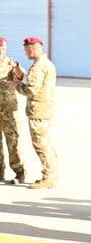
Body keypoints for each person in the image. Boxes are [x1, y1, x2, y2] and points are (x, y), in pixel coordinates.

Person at [14, 37, 58, 189]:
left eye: (26, 50)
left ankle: (48, 178)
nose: (26, 53)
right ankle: (51, 174)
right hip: (46, 109)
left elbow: (31, 90)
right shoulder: (48, 64)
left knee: (41, 145)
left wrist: (17, 86)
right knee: (46, 143)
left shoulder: (38, 67)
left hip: (38, 111)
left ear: (31, 49)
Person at [0, 37, 27, 184]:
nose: (1, 51)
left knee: (13, 142)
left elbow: (21, 76)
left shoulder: (10, 63)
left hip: (9, 110)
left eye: (3, 48)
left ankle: (20, 172)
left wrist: (16, 65)